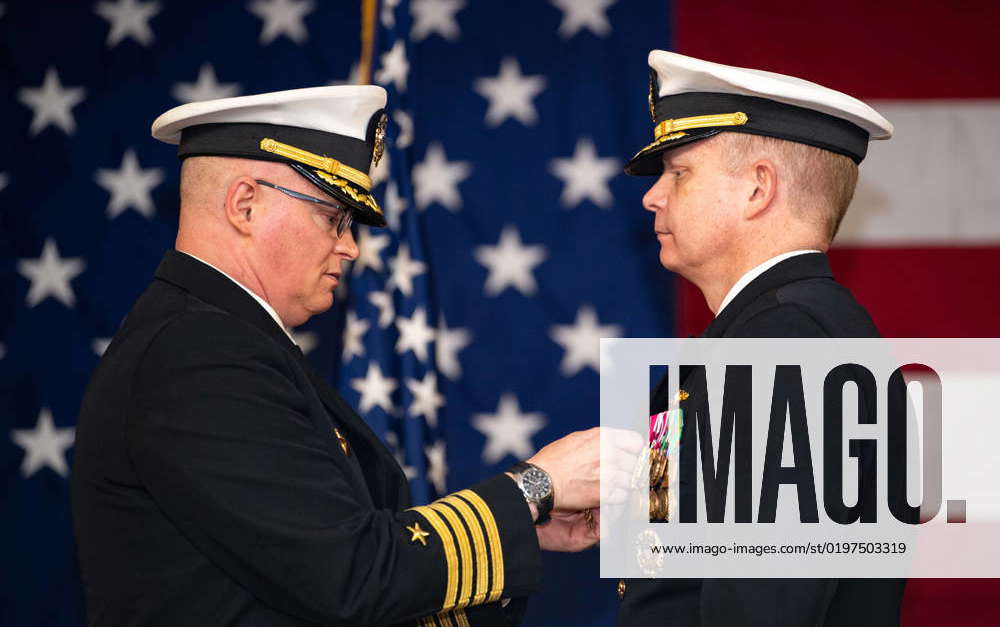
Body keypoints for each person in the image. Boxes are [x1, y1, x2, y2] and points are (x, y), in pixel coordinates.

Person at [71, 85, 605, 627]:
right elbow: (349, 578)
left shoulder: (227, 340)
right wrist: (531, 490)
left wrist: (519, 526)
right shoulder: (198, 353)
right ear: (244, 204)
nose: (350, 246)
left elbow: (336, 574)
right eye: (333, 217)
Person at [616, 51, 906, 626]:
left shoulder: (788, 341)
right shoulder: (772, 330)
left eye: (679, 172)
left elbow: (761, 607)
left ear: (757, 189)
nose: (653, 196)